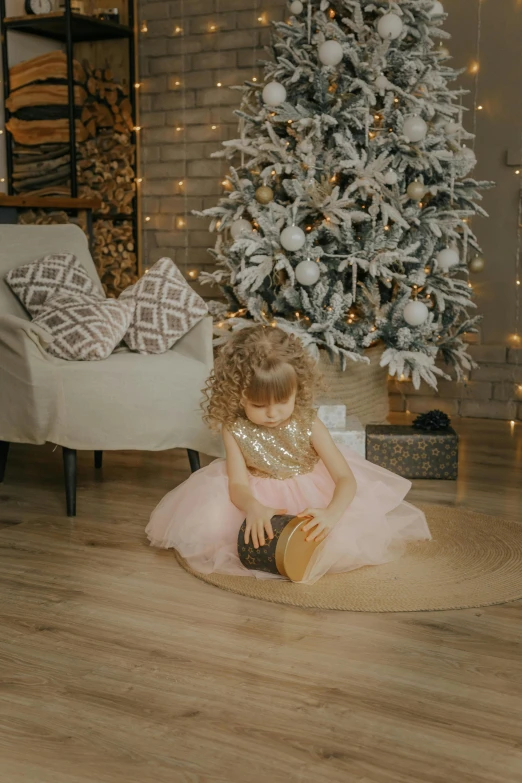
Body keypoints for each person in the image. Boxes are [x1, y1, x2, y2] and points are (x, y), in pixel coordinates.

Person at [146, 325, 431, 585]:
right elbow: (237, 484)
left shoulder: (308, 422)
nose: (272, 413)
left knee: (335, 542)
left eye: (282, 401)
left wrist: (331, 514)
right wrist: (253, 506)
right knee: (214, 531)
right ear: (238, 395)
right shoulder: (233, 428)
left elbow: (345, 478)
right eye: (258, 404)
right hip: (259, 493)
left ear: (298, 389)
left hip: (311, 491)